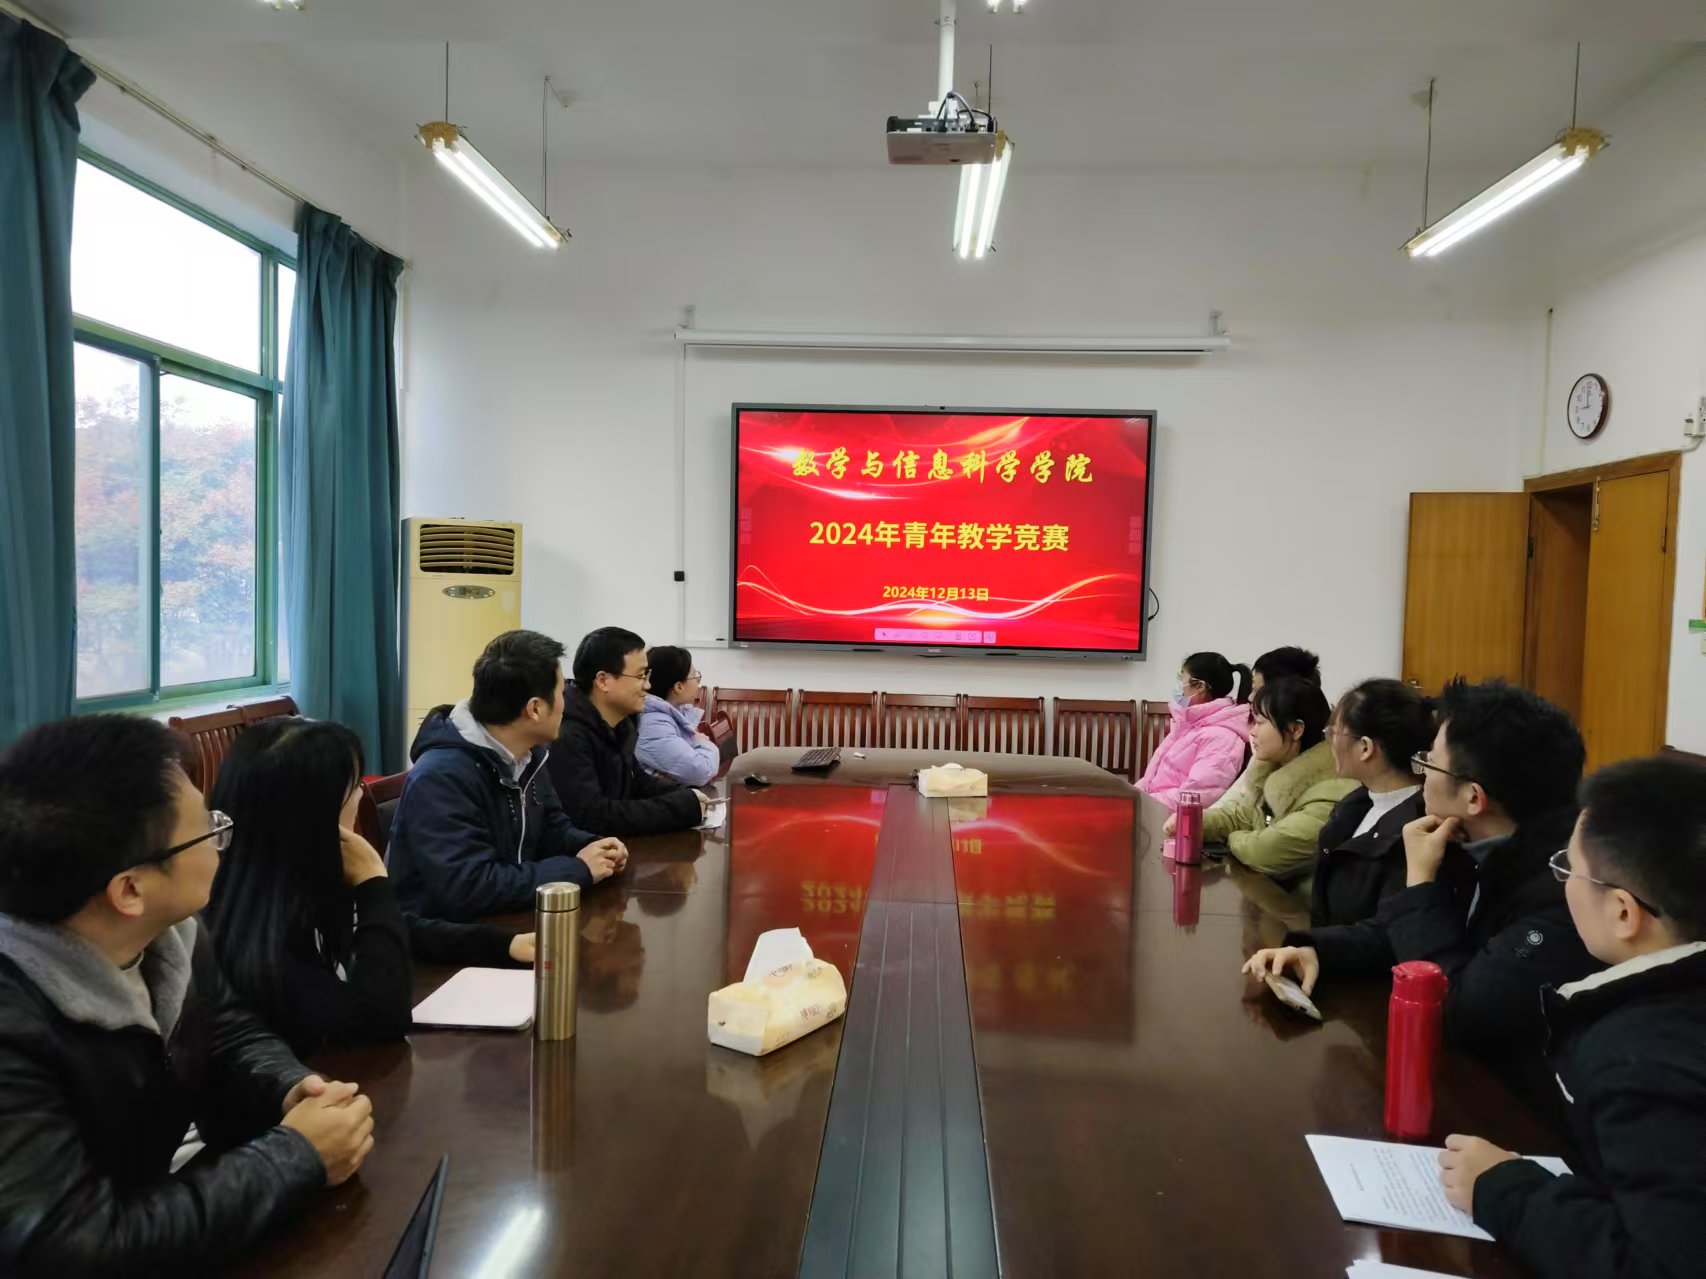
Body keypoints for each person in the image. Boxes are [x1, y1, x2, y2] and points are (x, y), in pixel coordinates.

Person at [0, 716, 374, 1273]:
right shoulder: (14, 1028)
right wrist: (295, 1156)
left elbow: (225, 1031)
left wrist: (291, 1087)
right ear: (130, 890)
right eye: (208, 830)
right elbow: (75, 1247)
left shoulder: (171, 934)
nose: (223, 840)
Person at [1438, 753, 1706, 1278]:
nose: (1562, 882)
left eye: (1569, 868)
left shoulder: (1642, 1059)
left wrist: (1504, 1190)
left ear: (1623, 912)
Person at [1244, 679, 1600, 1073]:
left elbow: (1460, 1010)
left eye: (1429, 762)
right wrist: (1318, 952)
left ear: (1473, 798)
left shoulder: (1564, 890)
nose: (1421, 775)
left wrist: (1419, 882)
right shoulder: (1467, 839)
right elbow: (1397, 933)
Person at [205, 718, 537, 1056]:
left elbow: (398, 929)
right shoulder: (261, 937)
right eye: (353, 786)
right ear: (315, 812)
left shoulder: (289, 878)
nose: (361, 793)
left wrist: (503, 944)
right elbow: (382, 1018)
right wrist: (373, 883)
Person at [390, 629, 629, 922]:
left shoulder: (528, 754)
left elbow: (552, 827)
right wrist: (577, 870)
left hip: (507, 916)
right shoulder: (441, 776)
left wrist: (594, 846)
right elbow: (468, 886)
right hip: (447, 936)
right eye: (560, 693)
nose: (566, 703)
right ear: (535, 709)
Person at [1186, 677, 1356, 878]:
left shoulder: (1330, 792)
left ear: (1295, 729)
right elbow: (1241, 817)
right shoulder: (1274, 769)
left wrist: (1232, 839)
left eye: (1259, 722)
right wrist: (1193, 822)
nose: (1253, 732)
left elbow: (1265, 851)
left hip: (1289, 897)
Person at [548, 627, 707, 836]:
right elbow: (593, 815)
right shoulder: (568, 734)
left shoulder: (620, 723)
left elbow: (637, 782)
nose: (648, 685)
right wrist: (682, 808)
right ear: (603, 681)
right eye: (641, 676)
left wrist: (687, 795)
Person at [1309, 679, 1435, 927]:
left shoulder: (1415, 831)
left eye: (1334, 732)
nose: (1330, 741)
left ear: (1365, 748)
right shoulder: (1355, 805)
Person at [1211, 646, 1322, 814]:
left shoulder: (1319, 785)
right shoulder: (1269, 751)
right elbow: (1236, 809)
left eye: (1257, 690)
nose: (1250, 697)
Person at [1137, 651, 1253, 811]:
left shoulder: (1221, 738)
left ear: (1200, 686)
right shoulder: (1189, 724)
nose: (1178, 685)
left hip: (1173, 819)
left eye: (1181, 678)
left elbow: (1196, 796)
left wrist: (1141, 803)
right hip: (1155, 808)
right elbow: (1151, 779)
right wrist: (1134, 795)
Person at [635, 645, 720, 787]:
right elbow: (700, 771)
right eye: (695, 676)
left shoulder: (669, 713)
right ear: (679, 686)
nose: (698, 681)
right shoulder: (654, 726)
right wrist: (700, 742)